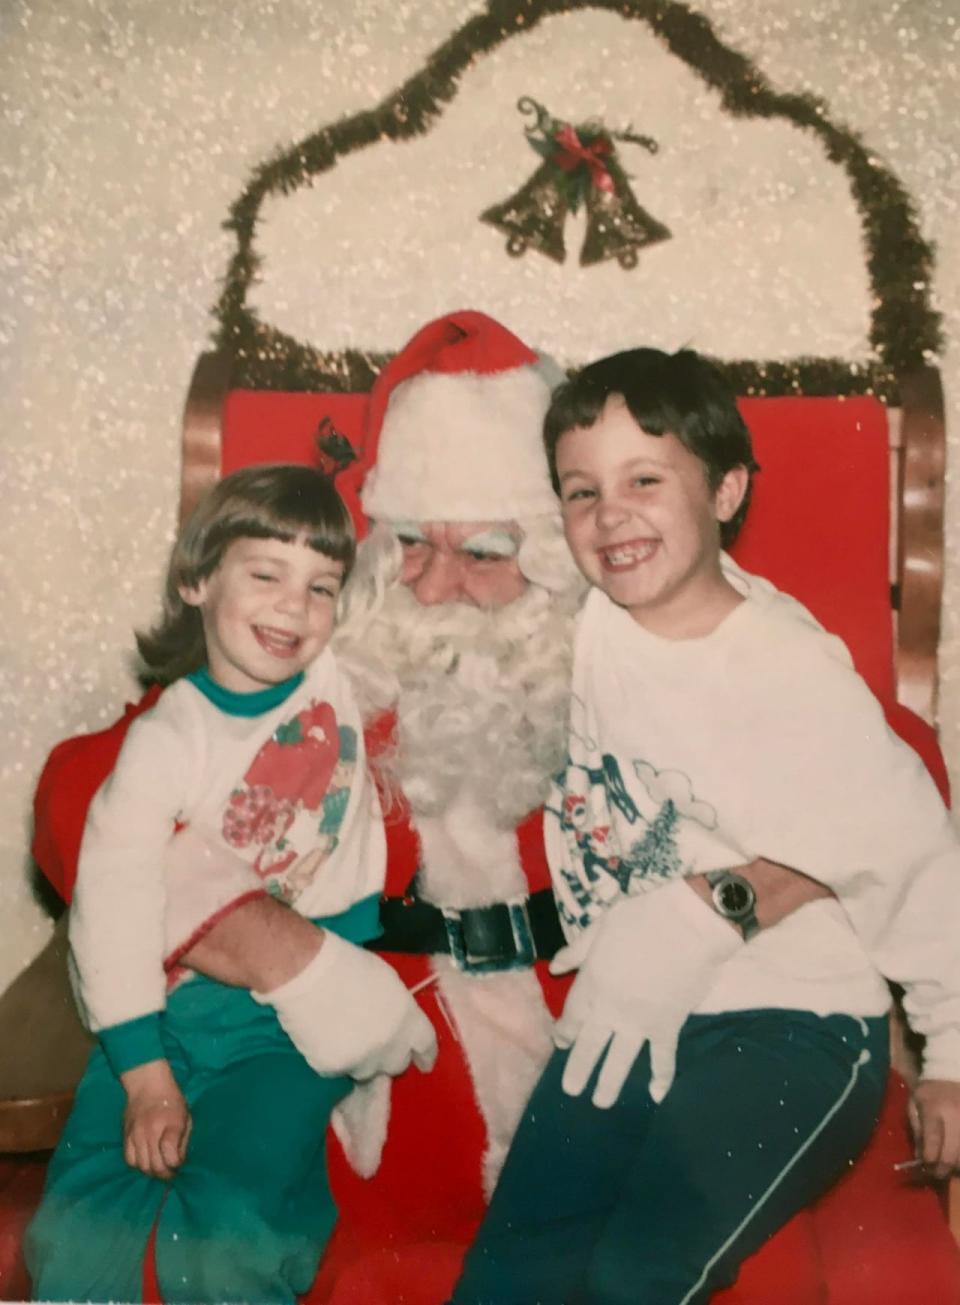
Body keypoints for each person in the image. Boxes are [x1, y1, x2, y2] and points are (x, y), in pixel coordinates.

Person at [29, 313, 892, 1304]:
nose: (434, 588)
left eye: (484, 551)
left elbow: (893, 780)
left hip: (627, 1091)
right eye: (407, 545)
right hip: (379, 1118)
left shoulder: (657, 642)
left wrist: (726, 902)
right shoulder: (321, 654)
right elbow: (79, 789)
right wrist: (275, 948)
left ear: (560, 555)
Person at [451, 347, 960, 1305]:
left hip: (794, 1027)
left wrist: (953, 1057)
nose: (610, 514)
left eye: (646, 479)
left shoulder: (787, 670)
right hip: (630, 1005)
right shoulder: (594, 620)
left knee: (637, 1272)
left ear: (726, 490)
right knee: (510, 1274)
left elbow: (914, 848)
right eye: (581, 490)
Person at [25, 464, 436, 1305]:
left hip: (285, 1032)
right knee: (74, 1235)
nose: (295, 607)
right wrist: (144, 1077)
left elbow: (425, 620)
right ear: (196, 579)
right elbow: (113, 900)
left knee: (230, 1233)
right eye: (265, 574)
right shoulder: (167, 738)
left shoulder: (341, 680)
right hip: (165, 1012)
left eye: (322, 586)